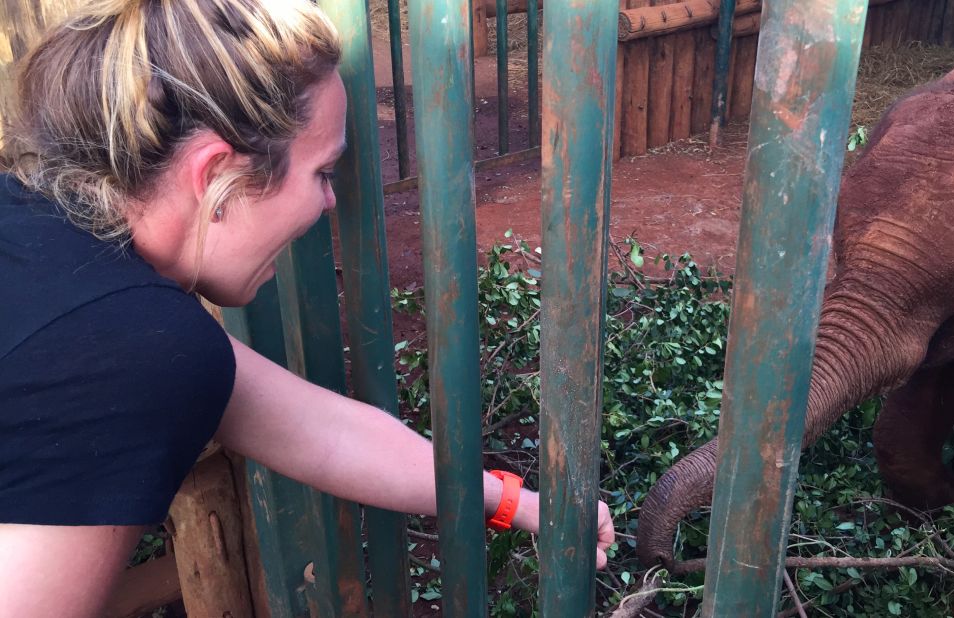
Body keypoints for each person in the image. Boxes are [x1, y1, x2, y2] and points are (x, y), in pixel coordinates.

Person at [0, 0, 615, 615]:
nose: (329, 202)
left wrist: (520, 503)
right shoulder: (133, 344)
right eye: (323, 172)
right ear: (219, 174)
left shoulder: (46, 242)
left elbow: (324, 433)